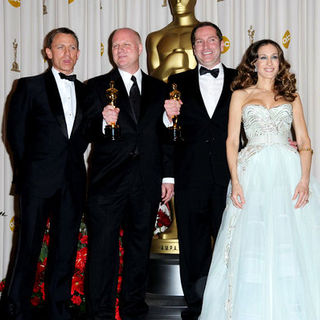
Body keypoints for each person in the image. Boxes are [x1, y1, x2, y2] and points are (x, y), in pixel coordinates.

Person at [199, 39, 320, 319]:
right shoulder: (240, 95)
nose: (269, 63)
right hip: (251, 173)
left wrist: (304, 180)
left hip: (288, 174)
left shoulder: (291, 96)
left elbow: (304, 141)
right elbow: (231, 141)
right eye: (263, 58)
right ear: (253, 63)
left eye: (274, 57)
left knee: (290, 239)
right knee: (251, 240)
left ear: (281, 62)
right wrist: (236, 181)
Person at [84, 28, 174, 320]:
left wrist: (168, 177)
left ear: (139, 48)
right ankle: (101, 312)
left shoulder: (161, 88)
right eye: (114, 46)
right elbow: (81, 133)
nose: (120, 49)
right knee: (102, 251)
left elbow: (166, 137)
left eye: (126, 44)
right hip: (106, 181)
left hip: (146, 182)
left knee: (138, 250)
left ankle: (134, 309)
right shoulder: (95, 87)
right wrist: (100, 124)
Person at [2, 28, 88, 320]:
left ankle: (58, 307)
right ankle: (15, 307)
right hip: (37, 182)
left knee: (65, 249)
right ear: (48, 52)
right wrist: (29, 174)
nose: (68, 53)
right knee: (27, 247)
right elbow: (14, 136)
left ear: (78, 53)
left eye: (73, 47)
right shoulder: (28, 86)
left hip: (73, 182)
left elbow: (83, 137)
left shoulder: (85, 92)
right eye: (61, 47)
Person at [163, 22, 237, 320]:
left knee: (231, 244)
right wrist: (168, 120)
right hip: (189, 177)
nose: (205, 46)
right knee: (193, 248)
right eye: (199, 42)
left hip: (231, 178)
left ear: (222, 43)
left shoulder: (240, 80)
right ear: (193, 48)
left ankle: (230, 306)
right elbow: (169, 132)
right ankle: (197, 308)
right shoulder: (176, 80)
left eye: (211, 40)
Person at [146, 0, 199, 82]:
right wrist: (169, 64)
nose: (178, 1)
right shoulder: (155, 37)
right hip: (165, 93)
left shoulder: (208, 34)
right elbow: (152, 82)